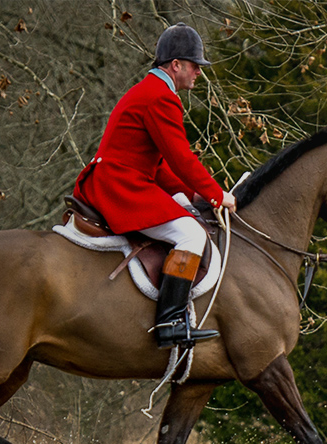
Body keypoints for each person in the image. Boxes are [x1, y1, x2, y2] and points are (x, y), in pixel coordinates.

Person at [72, 24, 236, 348]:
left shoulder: (150, 91)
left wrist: (191, 194)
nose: (198, 74)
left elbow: (158, 164)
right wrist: (218, 196)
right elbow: (181, 159)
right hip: (120, 186)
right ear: (176, 65)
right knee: (191, 234)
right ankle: (170, 322)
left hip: (122, 179)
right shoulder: (161, 98)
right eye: (194, 66)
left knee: (183, 209)